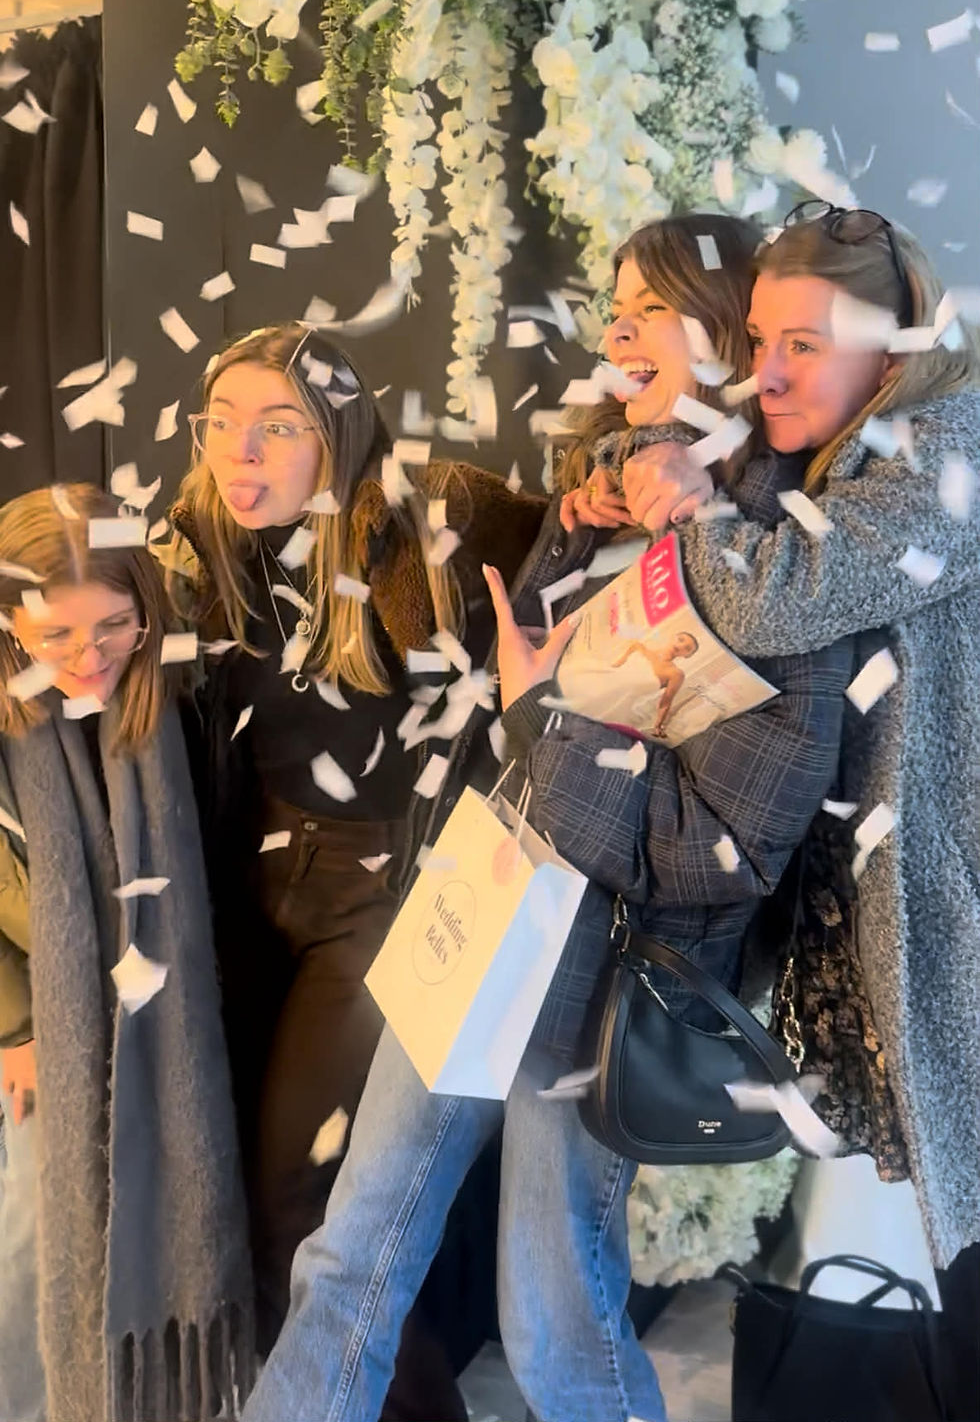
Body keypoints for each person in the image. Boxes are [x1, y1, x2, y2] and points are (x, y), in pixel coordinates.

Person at [240, 214, 855, 1422]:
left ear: (729, 336)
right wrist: (552, 620)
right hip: (484, 924)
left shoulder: (782, 556)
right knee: (347, 1254)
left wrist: (550, 721)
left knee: (552, 1317)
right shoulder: (592, 504)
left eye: (651, 306)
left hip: (609, 973)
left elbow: (729, 844)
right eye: (611, 302)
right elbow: (517, 732)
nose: (615, 327)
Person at [160, 322, 544, 1417]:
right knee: (241, 1203)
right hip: (250, 898)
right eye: (222, 425)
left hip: (373, 904)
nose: (242, 451)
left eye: (277, 426)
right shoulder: (194, 546)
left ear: (336, 434)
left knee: (306, 1203)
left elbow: (561, 532)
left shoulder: (415, 533)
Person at [601, 202, 980, 1279]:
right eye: (759, 340)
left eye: (801, 345)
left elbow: (778, 599)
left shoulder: (947, 459)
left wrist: (689, 509)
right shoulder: (848, 454)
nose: (765, 373)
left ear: (895, 343)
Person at [0, 484, 253, 1422]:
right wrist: (16, 1028)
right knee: (39, 1249)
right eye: (53, 634)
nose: (87, 656)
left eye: (113, 625)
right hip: (39, 1032)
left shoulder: (176, 693)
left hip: (162, 1020)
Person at [610, 629, 700, 736]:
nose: (680, 646)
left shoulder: (675, 674)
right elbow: (615, 666)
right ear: (672, 637)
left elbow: (666, 702)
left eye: (687, 648)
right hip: (606, 684)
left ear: (687, 656)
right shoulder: (637, 647)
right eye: (680, 640)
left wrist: (657, 726)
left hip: (620, 703)